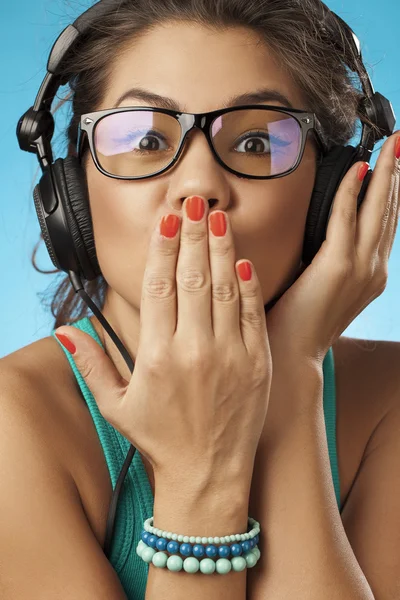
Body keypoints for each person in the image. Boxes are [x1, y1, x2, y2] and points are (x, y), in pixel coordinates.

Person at [2, 0, 400, 598]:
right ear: (71, 190)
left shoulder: (391, 398)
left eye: (258, 142)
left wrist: (292, 377)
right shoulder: (16, 420)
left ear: (330, 191)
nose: (198, 185)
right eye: (145, 139)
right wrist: (199, 479)